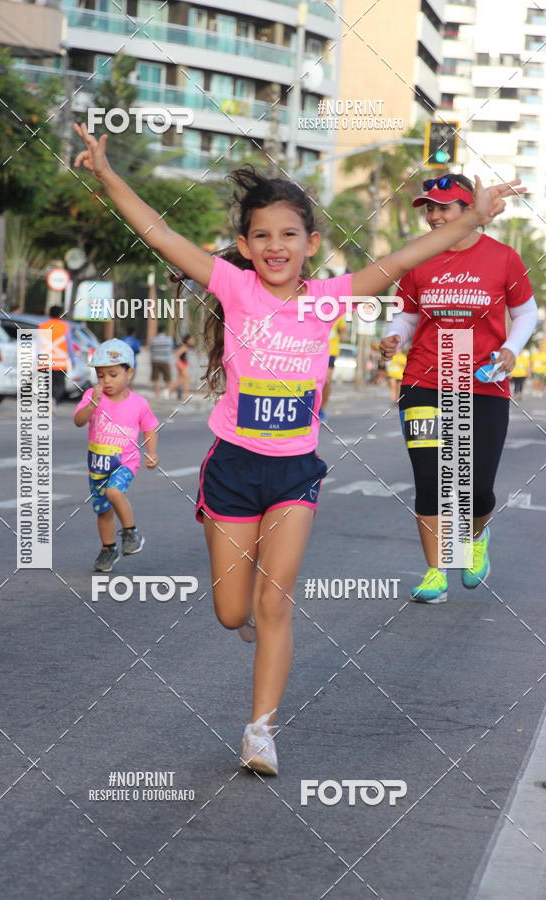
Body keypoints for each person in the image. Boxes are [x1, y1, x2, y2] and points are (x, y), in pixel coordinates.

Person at [74, 120, 521, 775]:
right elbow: (160, 234)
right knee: (233, 613)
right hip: (231, 470)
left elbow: (402, 260)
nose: (275, 246)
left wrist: (472, 219)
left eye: (289, 235)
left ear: (311, 244)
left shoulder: (329, 299)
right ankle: (247, 610)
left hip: (294, 476)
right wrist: (109, 175)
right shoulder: (234, 287)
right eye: (262, 236)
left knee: (273, 604)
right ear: (244, 245)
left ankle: (261, 731)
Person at [380, 173, 537, 605]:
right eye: (429, 207)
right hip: (424, 380)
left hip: (483, 382)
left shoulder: (504, 258)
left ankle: (477, 536)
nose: (433, 216)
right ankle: (435, 572)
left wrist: (509, 349)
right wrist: (394, 335)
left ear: (472, 210)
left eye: (444, 207)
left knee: (476, 487)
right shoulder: (417, 260)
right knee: (430, 477)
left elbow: (526, 314)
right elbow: (406, 315)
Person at [73, 338, 159, 573]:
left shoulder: (138, 403)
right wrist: (90, 405)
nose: (106, 381)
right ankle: (107, 548)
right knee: (103, 510)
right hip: (97, 465)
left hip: (125, 462)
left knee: (114, 491)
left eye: (113, 374)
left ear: (128, 372)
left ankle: (131, 533)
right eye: (101, 375)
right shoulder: (92, 396)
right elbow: (79, 421)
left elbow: (149, 427)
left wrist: (151, 452)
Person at [38, 305, 75, 405]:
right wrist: (73, 360)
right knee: (59, 385)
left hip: (45, 362)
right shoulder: (65, 327)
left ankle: (47, 402)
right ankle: (53, 401)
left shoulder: (42, 326)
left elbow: (38, 345)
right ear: (60, 314)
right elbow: (70, 345)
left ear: (49, 314)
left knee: (46, 385)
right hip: (60, 364)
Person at [319, 316, 346, 421]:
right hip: (315, 349)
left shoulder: (339, 312)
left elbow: (343, 333)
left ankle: (321, 410)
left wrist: (341, 333)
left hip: (330, 351)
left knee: (326, 382)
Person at [149, 324, 174, 397]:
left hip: (155, 360)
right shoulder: (169, 340)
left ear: (158, 331)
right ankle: (167, 393)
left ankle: (156, 393)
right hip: (165, 361)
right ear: (164, 331)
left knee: (156, 378)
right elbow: (170, 350)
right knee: (167, 379)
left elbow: (151, 350)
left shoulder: (153, 340)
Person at [168, 334, 195, 400]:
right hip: (180, 365)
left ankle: (167, 391)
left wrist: (188, 363)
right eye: (191, 340)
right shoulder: (184, 347)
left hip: (182, 364)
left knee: (180, 381)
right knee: (187, 377)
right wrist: (180, 364)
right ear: (187, 340)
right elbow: (176, 355)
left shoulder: (185, 347)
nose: (193, 341)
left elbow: (183, 357)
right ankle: (186, 394)